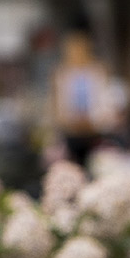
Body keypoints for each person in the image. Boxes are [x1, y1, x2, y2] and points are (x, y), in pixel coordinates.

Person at [52, 30, 109, 167]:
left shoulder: (96, 70)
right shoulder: (62, 73)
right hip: (71, 129)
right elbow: (58, 102)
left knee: (95, 165)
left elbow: (103, 99)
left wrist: (97, 119)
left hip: (94, 128)